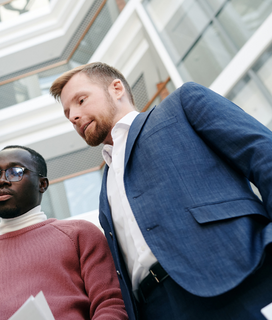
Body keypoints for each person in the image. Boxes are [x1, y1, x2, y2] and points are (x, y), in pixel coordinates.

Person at [50, 62, 272, 320]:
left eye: (81, 100)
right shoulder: (105, 185)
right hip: (157, 308)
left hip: (239, 276)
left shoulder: (182, 105)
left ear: (117, 88)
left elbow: (262, 155)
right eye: (68, 114)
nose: (74, 116)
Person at [0, 145, 128, 320]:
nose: (0, 181)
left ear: (42, 184)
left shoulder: (79, 234)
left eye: (15, 172)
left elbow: (111, 304)